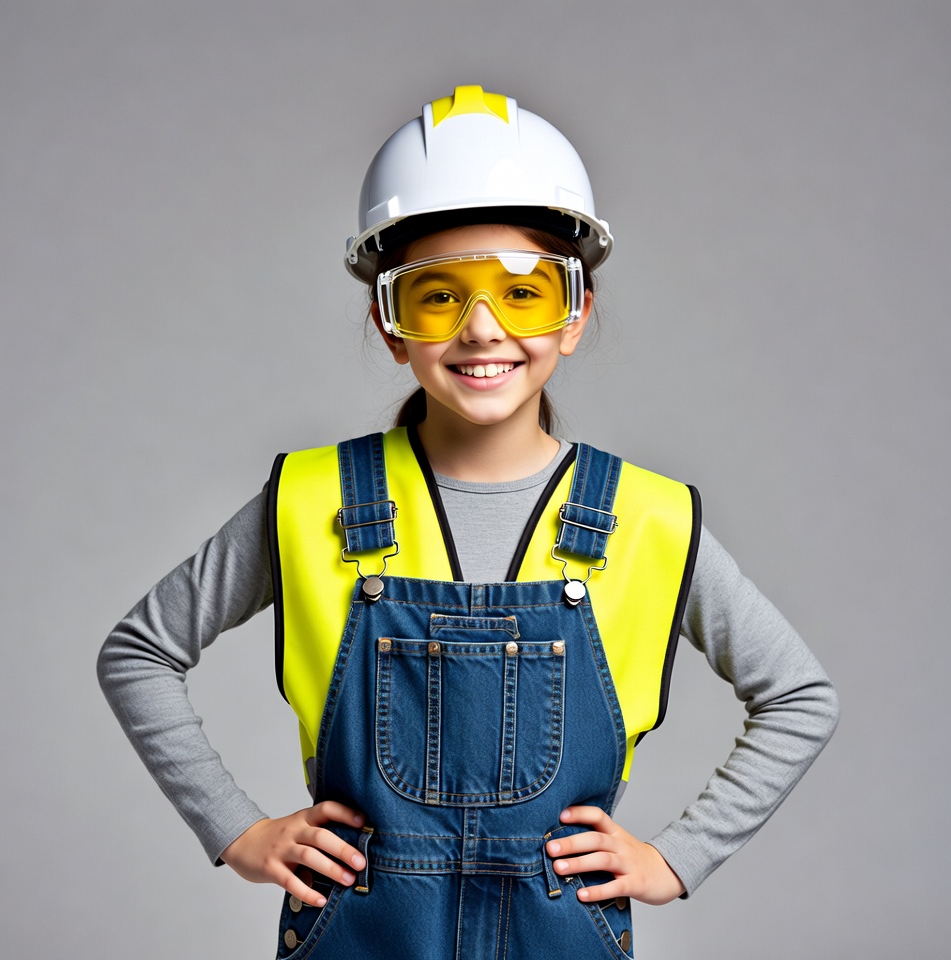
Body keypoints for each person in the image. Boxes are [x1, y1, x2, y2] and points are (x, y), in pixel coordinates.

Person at [98, 85, 839, 959]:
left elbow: (799, 696)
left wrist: (679, 858)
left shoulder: (648, 518)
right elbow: (137, 652)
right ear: (389, 323)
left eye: (523, 294)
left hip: (562, 927)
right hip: (361, 929)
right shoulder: (311, 501)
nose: (482, 329)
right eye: (438, 297)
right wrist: (236, 830)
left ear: (576, 315)